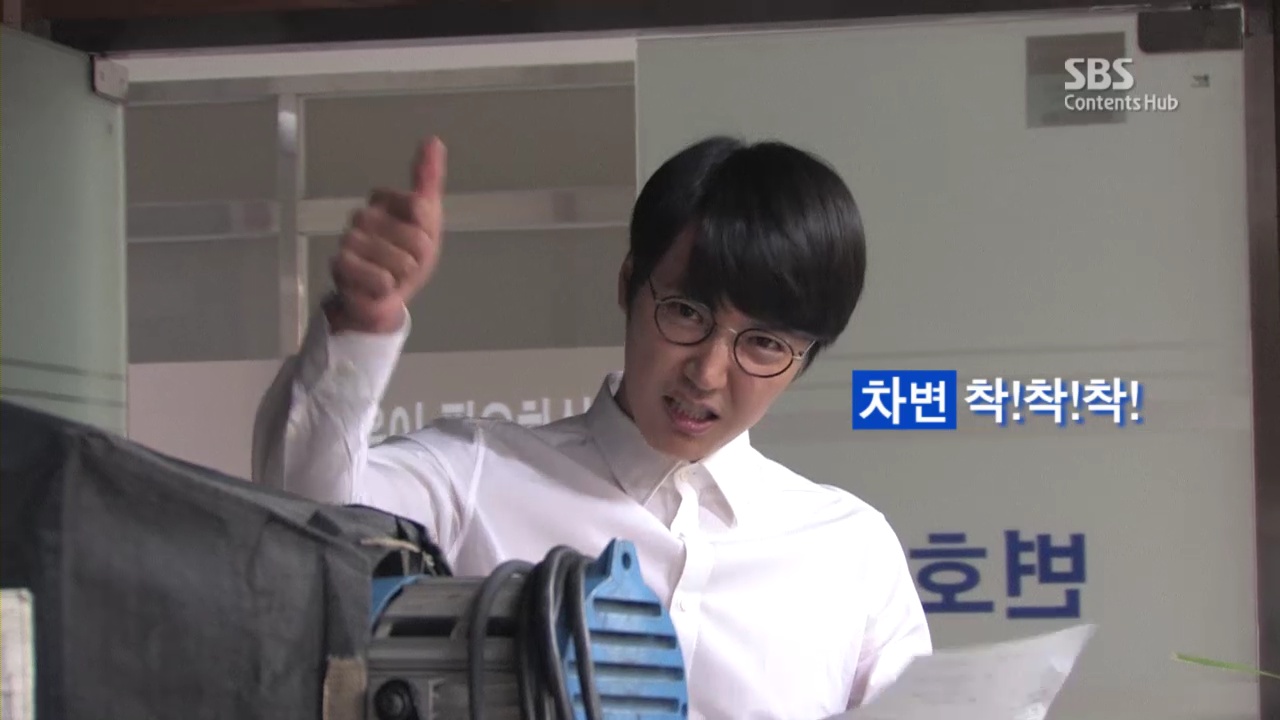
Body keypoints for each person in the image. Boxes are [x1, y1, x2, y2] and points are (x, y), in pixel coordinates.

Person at [252, 135, 931, 719]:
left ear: (803, 359)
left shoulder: (851, 551)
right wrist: (361, 325)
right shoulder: (476, 476)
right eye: (687, 312)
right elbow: (304, 523)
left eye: (763, 344)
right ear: (629, 283)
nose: (707, 373)